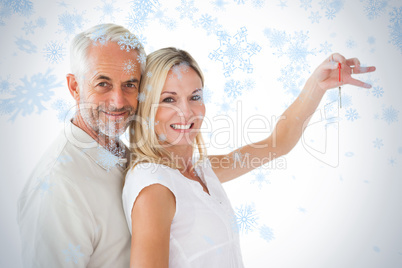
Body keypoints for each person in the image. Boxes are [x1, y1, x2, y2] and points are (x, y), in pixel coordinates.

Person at [122, 47, 376, 267]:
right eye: (169, 100)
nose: (186, 111)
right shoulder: (154, 187)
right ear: (147, 108)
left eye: (195, 97)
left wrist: (317, 85)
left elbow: (277, 144)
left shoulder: (196, 170)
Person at [17, 24, 145, 267]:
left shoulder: (124, 156)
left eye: (129, 84)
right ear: (75, 87)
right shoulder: (57, 185)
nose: (118, 101)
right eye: (103, 83)